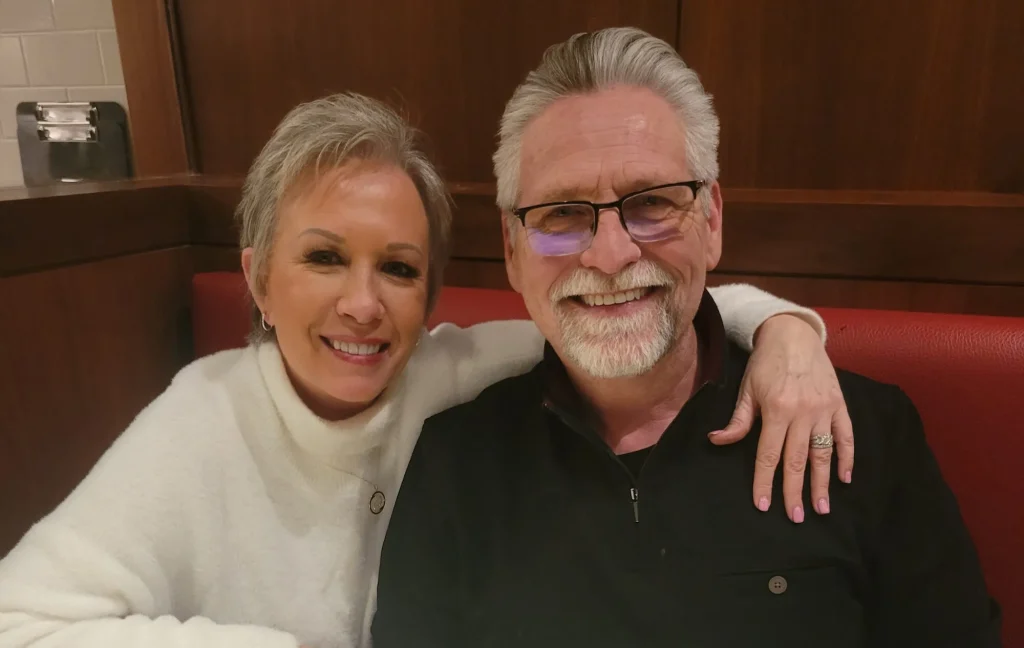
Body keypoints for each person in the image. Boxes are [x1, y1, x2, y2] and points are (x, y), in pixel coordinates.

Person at [0, 93, 848, 648]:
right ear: (258, 280)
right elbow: (20, 619)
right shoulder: (200, 418)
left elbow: (631, 311)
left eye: (399, 269)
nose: (363, 304)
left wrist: (784, 334)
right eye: (324, 258)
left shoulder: (451, 373)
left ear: (430, 295)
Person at [372, 28, 1001, 648]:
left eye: (651, 203)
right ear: (512, 250)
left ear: (712, 220)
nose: (610, 256)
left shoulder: (862, 433)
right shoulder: (455, 465)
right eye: (562, 213)